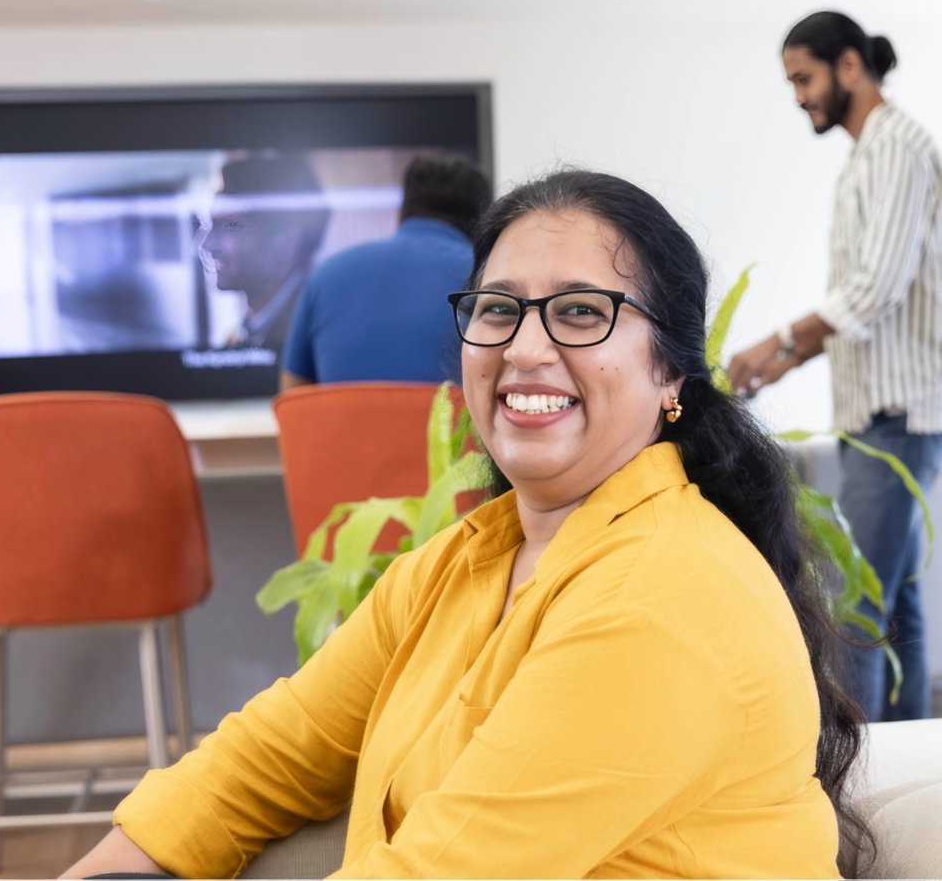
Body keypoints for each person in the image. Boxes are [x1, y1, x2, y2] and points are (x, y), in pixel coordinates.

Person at [64, 170, 868, 879]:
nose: (524, 348)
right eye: (497, 310)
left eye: (582, 313)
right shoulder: (465, 562)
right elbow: (271, 754)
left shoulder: (661, 597)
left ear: (670, 373)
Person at [727, 11, 942, 723]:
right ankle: (916, 763)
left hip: (902, 416)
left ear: (850, 65)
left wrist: (775, 345)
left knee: (853, 609)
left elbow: (875, 288)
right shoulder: (866, 156)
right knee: (895, 610)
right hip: (876, 415)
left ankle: (851, 788)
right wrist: (787, 361)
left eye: (805, 77)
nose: (800, 95)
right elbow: (865, 300)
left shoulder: (895, 147)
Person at [281, 154, 493, 391]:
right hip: (449, 429)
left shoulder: (325, 274)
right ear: (482, 223)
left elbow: (293, 398)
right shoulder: (486, 276)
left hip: (347, 429)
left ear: (401, 212)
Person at [200, 152, 332, 358]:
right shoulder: (246, 329)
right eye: (211, 226)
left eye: (229, 226)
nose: (206, 245)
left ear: (288, 240)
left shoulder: (317, 329)